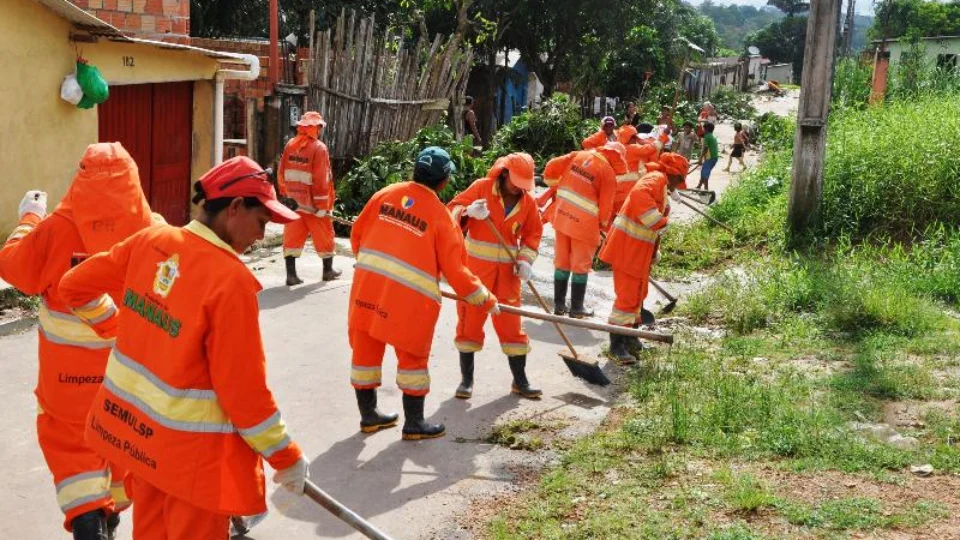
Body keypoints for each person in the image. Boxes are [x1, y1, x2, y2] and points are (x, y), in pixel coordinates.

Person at [59, 156, 310, 539]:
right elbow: (244, 392)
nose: (261, 237)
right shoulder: (231, 282)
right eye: (262, 223)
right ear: (236, 207)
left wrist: (120, 327)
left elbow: (73, 286)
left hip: (140, 448)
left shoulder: (151, 240)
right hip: (193, 467)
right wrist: (285, 456)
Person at [0, 143, 153, 539]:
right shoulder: (154, 231)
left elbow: (17, 267)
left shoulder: (56, 229)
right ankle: (111, 513)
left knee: (72, 449)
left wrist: (29, 217)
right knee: (122, 444)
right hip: (131, 380)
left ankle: (89, 518)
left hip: (68, 381)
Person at [348, 147, 498, 441]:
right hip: (408, 302)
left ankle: (368, 417)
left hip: (367, 289)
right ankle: (414, 423)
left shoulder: (386, 194)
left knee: (364, 352)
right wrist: (485, 298)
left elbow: (357, 235)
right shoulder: (441, 217)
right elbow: (457, 272)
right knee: (412, 360)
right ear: (444, 181)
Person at [448, 153, 544, 400]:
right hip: (476, 272)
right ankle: (466, 381)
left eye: (523, 184)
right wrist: (468, 211)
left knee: (512, 325)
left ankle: (520, 381)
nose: (518, 188)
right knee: (469, 322)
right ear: (503, 173)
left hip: (508, 276)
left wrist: (525, 261)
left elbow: (533, 235)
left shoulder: (529, 203)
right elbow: (451, 212)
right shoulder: (481, 187)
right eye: (515, 182)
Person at [600, 153, 689, 364]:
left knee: (638, 296)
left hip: (638, 252)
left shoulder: (661, 183)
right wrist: (659, 221)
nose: (678, 184)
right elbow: (641, 197)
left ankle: (631, 339)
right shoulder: (655, 179)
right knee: (627, 300)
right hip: (627, 250)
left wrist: (654, 251)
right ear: (672, 174)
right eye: (678, 179)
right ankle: (616, 347)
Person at [543, 142, 622, 318]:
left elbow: (551, 167)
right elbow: (606, 206)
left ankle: (559, 306)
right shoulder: (608, 172)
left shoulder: (578, 155)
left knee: (561, 261)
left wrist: (554, 184)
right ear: (616, 158)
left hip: (562, 216)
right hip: (584, 225)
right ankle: (577, 308)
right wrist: (602, 226)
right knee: (581, 265)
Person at [278, 111, 340, 285]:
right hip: (313, 205)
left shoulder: (290, 145)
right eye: (319, 126)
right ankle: (327, 271)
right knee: (325, 236)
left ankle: (291, 275)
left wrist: (285, 196)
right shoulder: (319, 148)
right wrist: (322, 205)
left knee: (291, 238)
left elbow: (282, 172)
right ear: (316, 128)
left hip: (294, 204)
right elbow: (322, 179)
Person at [697, 121, 720, 191]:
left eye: (703, 129)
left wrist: (700, 159)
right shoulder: (711, 136)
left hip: (710, 158)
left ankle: (706, 189)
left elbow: (705, 149)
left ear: (706, 129)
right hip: (713, 157)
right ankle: (699, 186)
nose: (703, 130)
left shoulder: (707, 136)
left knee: (705, 173)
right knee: (704, 172)